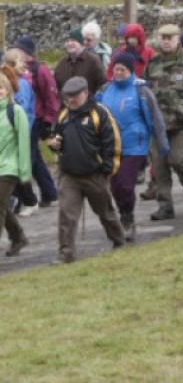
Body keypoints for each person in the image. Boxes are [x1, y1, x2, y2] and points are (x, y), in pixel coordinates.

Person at [48, 76, 125, 264]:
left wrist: (108, 169)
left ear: (86, 93)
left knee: (105, 213)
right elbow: (56, 137)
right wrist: (54, 144)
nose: (71, 100)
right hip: (69, 175)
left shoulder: (100, 113)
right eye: (68, 96)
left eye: (75, 96)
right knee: (66, 215)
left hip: (95, 175)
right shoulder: (63, 115)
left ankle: (119, 241)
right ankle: (66, 254)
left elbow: (113, 142)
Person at [97, 54, 169, 241]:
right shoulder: (105, 90)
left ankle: (128, 218)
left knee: (125, 184)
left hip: (135, 145)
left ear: (131, 71)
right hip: (111, 146)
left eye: (123, 70)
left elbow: (155, 118)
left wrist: (162, 145)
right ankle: (125, 213)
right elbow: (95, 116)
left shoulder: (141, 91)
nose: (119, 73)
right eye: (116, 69)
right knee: (115, 187)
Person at [143, 24, 183, 221]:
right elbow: (145, 90)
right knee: (159, 166)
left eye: (170, 38)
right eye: (163, 37)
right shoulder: (153, 62)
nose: (166, 41)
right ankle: (165, 206)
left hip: (182, 122)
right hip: (158, 123)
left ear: (178, 39)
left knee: (178, 158)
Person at [8, 36, 60, 208]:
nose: (15, 51)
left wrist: (48, 122)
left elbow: (51, 98)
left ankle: (25, 200)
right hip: (28, 119)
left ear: (27, 52)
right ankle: (50, 193)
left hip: (34, 121)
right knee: (35, 158)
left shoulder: (40, 70)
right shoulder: (16, 69)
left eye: (19, 49)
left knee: (26, 161)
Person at [0, 69, 31, 258]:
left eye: (1, 87)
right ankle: (18, 236)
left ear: (8, 89)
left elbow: (23, 143)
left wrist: (24, 172)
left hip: (9, 168)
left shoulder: (15, 111)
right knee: (1, 205)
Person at [54, 28, 106, 95]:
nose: (69, 43)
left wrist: (93, 99)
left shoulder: (93, 60)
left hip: (88, 101)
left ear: (81, 43)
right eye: (68, 41)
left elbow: (102, 84)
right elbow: (56, 85)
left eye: (73, 40)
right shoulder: (62, 63)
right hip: (66, 101)